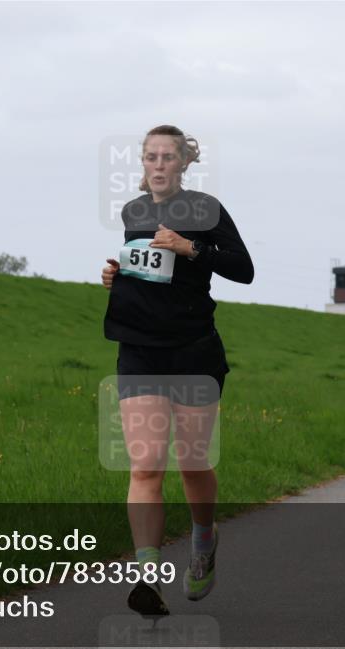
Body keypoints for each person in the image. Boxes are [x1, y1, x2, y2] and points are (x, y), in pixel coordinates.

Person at [101, 125, 253, 617]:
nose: (158, 164)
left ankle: (204, 543)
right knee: (145, 464)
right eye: (150, 157)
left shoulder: (205, 210)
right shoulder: (133, 212)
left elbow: (243, 268)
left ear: (184, 163)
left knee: (192, 463)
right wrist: (116, 275)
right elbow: (146, 270)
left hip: (192, 351)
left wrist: (189, 247)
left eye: (168, 157)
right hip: (140, 350)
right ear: (142, 163)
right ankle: (148, 576)